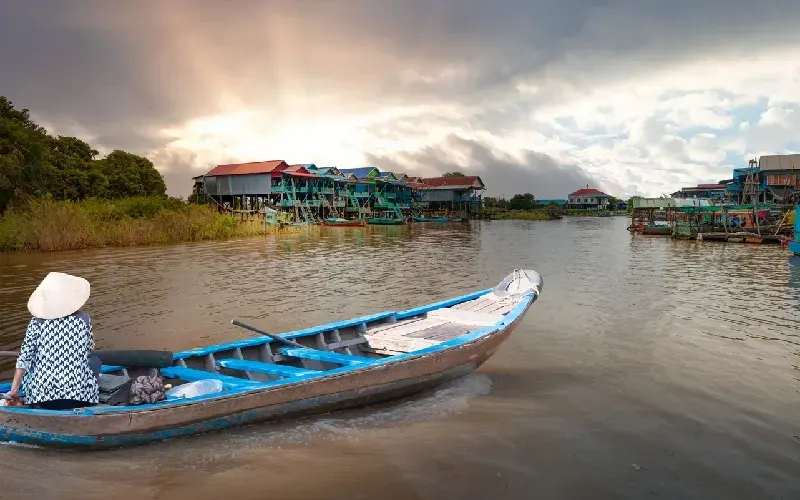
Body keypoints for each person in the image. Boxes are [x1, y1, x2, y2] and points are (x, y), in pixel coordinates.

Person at [7, 272, 101, 410]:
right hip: (77, 396)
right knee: (95, 361)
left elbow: (24, 358)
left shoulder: (36, 323)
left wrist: (14, 390)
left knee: (30, 364)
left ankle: (26, 401)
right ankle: (89, 398)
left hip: (41, 398)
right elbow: (89, 348)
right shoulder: (84, 319)